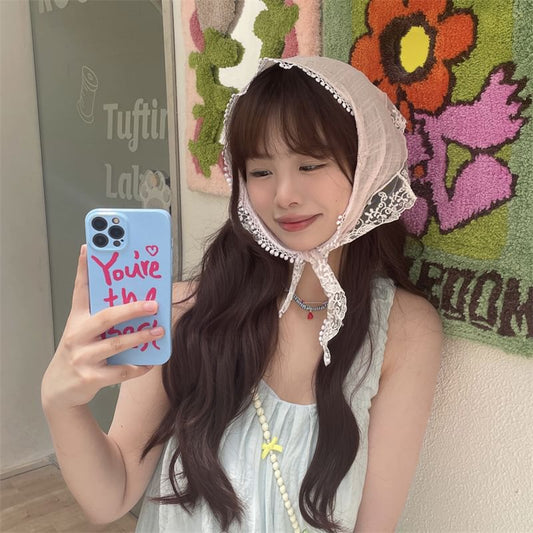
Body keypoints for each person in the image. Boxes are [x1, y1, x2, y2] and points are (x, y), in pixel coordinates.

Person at [41, 56, 442, 533]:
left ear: (368, 164)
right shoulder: (184, 311)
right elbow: (112, 496)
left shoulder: (403, 331)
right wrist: (62, 404)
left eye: (310, 163)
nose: (284, 194)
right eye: (260, 171)